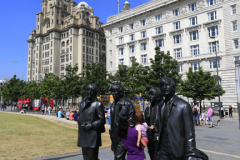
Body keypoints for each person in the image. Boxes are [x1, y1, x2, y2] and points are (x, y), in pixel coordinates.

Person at [158, 77, 208, 160]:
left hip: (177, 150)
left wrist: (190, 152)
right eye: (162, 85)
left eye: (167, 85)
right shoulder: (160, 105)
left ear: (173, 87)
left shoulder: (183, 106)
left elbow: (190, 134)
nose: (165, 87)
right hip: (162, 149)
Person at [77, 83, 105, 160]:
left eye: (92, 91)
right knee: (85, 157)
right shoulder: (82, 103)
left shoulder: (98, 104)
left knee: (92, 157)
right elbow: (80, 114)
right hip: (83, 133)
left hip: (93, 134)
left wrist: (92, 125)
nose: (89, 92)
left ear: (95, 92)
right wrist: (79, 120)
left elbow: (102, 119)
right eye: (88, 90)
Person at [109, 83, 136, 160]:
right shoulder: (113, 104)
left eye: (115, 91)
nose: (113, 94)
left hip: (123, 136)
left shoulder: (128, 104)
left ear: (121, 92)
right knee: (117, 155)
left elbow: (132, 123)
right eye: (112, 91)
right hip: (114, 135)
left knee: (118, 158)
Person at [144, 87, 163, 160]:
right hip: (150, 135)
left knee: (157, 155)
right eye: (149, 94)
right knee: (151, 153)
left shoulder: (162, 107)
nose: (150, 96)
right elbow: (145, 121)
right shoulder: (148, 108)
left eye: (152, 94)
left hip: (159, 136)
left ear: (158, 96)